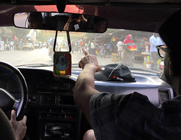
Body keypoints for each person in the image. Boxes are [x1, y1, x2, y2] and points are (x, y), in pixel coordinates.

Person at [73, 10, 181, 140]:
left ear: (171, 65)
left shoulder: (147, 116)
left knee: (90, 135)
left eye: (164, 52)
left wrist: (89, 65)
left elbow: (81, 91)